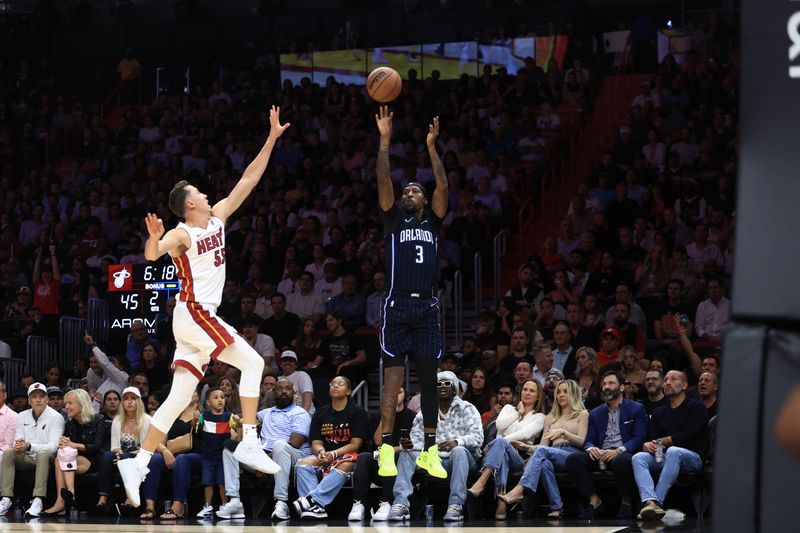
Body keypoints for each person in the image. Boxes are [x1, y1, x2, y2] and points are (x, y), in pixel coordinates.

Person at [117, 106, 290, 506]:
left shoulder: (219, 217)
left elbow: (249, 178)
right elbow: (151, 254)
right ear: (189, 204)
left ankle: (138, 463)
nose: (209, 194)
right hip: (195, 312)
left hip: (194, 321)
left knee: (179, 398)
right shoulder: (181, 233)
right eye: (201, 193)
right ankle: (249, 440)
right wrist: (154, 236)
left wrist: (272, 139)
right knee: (254, 363)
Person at [374, 107, 449, 481]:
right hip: (397, 303)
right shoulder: (393, 219)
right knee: (392, 381)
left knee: (429, 379)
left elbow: (443, 188)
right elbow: (383, 178)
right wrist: (384, 141)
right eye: (406, 191)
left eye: (414, 190)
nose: (408, 193)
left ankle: (429, 451)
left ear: (424, 199)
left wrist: (432, 148)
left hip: (428, 306)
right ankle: (386, 447)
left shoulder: (433, 221)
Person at [388, 371, 483, 522]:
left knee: (459, 451)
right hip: (433, 459)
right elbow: (417, 438)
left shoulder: (467, 408)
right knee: (407, 453)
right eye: (439, 384)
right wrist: (409, 444)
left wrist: (456, 442)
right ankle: (401, 504)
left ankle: (455, 505)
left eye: (447, 383)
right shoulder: (424, 411)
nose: (443, 387)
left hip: (461, 459)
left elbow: (478, 438)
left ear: (454, 389)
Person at [217, 379, 312, 520]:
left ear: (294, 392)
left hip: (292, 457)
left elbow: (295, 443)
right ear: (274, 393)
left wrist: (264, 461)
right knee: (230, 447)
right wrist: (233, 418)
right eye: (280, 389)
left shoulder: (300, 413)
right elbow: (245, 417)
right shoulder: (267, 412)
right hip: (264, 458)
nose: (284, 391)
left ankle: (281, 503)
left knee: (280, 445)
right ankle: (235, 501)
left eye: (288, 388)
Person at [498, 380, 588, 519]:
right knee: (544, 464)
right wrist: (527, 447)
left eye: (565, 391)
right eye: (558, 392)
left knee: (543, 454)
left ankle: (519, 490)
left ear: (574, 394)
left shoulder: (582, 414)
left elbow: (582, 442)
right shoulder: (550, 417)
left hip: (572, 455)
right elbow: (544, 446)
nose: (561, 395)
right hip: (552, 452)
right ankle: (557, 507)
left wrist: (564, 433)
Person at [565, 371, 648, 519]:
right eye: (604, 384)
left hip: (622, 453)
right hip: (601, 454)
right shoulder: (596, 413)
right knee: (573, 459)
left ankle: (626, 503)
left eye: (611, 383)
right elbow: (589, 439)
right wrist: (591, 448)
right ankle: (594, 500)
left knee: (622, 461)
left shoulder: (636, 408)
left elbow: (640, 437)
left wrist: (619, 450)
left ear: (622, 388)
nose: (606, 387)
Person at [632, 370, 708, 520]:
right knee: (639, 457)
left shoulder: (696, 406)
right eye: (666, 379)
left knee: (673, 451)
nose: (667, 382)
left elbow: (688, 436)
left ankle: (657, 503)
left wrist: (662, 441)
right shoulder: (659, 411)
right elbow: (654, 439)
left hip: (692, 457)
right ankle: (649, 501)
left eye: (673, 379)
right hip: (664, 456)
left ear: (685, 385)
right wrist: (648, 446)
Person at [467, 379, 546, 520]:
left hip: (519, 457)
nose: (527, 393)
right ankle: (501, 503)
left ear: (538, 396)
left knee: (500, 443)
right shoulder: (509, 409)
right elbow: (499, 426)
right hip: (499, 455)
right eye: (525, 389)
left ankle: (482, 481)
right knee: (501, 452)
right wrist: (518, 413)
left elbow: (524, 434)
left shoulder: (540, 417)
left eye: (532, 390)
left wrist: (498, 442)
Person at [292, 376, 368, 519]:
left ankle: (311, 500)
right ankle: (316, 508)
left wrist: (333, 454)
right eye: (332, 384)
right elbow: (316, 441)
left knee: (346, 461)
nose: (335, 386)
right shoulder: (320, 413)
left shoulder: (358, 412)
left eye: (340, 384)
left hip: (349, 456)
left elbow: (355, 444)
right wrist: (321, 452)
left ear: (348, 391)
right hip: (325, 455)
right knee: (303, 464)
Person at [348, 386, 416, 521]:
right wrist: (386, 417)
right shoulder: (376, 416)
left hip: (401, 464)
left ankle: (388, 502)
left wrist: (392, 450)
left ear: (405, 396)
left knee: (389, 455)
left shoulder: (413, 416)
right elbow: (378, 441)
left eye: (399, 392)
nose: (395, 395)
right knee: (363, 457)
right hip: (379, 462)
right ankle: (359, 503)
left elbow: (411, 446)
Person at [0, 383, 64, 516]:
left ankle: (38, 499)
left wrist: (29, 446)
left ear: (47, 399)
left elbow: (53, 447)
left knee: (43, 454)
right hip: (28, 458)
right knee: (8, 453)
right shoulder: (22, 416)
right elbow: (18, 440)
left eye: (42, 396)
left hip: (48, 460)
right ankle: (6, 498)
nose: (38, 399)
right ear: (29, 401)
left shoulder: (56, 417)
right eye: (34, 397)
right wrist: (18, 445)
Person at [42, 389, 108, 516]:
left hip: (94, 460)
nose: (66, 407)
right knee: (60, 458)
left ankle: (62, 501)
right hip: (72, 459)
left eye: (70, 403)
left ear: (81, 404)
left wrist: (73, 445)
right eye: (66, 403)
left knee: (63, 459)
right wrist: (62, 443)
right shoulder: (70, 423)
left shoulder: (98, 420)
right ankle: (68, 496)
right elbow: (65, 447)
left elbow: (96, 446)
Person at [95, 387, 159, 516]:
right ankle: (103, 499)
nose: (129, 402)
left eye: (133, 399)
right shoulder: (117, 420)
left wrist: (123, 454)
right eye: (126, 399)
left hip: (142, 456)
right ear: (122, 403)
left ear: (139, 402)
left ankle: (132, 498)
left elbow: (148, 447)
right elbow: (114, 446)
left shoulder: (147, 420)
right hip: (123, 455)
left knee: (126, 457)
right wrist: (117, 452)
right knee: (107, 456)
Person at [152, 390, 202, 520]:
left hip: (197, 457)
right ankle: (150, 506)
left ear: (198, 397)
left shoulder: (203, 414)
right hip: (172, 456)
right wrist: (165, 451)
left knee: (182, 459)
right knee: (155, 459)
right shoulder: (172, 416)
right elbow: (157, 442)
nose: (190, 392)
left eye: (194, 390)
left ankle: (177, 507)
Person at [195, 387, 234, 519]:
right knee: (208, 482)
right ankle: (207, 507)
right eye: (216, 397)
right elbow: (196, 429)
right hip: (208, 457)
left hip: (223, 457)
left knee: (222, 483)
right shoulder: (203, 416)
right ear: (208, 402)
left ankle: (225, 506)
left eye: (222, 397)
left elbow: (235, 433)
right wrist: (195, 420)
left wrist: (238, 425)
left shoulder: (230, 417)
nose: (220, 400)